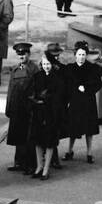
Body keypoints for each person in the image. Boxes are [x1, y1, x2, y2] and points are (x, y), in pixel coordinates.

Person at [64, 42, 102, 163]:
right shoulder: (70, 68)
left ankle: (89, 152)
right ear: (75, 55)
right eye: (79, 54)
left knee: (89, 128)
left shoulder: (92, 68)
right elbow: (67, 84)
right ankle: (69, 150)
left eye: (83, 54)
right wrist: (73, 91)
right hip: (75, 101)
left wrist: (86, 88)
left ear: (86, 55)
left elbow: (98, 84)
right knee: (72, 127)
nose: (81, 57)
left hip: (88, 101)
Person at [29, 46, 67, 180]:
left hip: (51, 114)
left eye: (48, 64)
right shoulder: (37, 77)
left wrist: (47, 99)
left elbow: (59, 97)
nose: (46, 66)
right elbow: (31, 92)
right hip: (38, 113)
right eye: (44, 64)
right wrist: (35, 100)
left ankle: (46, 169)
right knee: (38, 141)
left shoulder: (57, 78)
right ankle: (39, 166)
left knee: (50, 142)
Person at [5, 42, 37, 172]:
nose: (21, 56)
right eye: (19, 54)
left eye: (23, 54)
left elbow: (36, 88)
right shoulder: (15, 69)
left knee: (29, 138)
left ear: (28, 54)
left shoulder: (34, 69)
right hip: (16, 108)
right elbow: (11, 90)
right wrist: (8, 107)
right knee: (18, 136)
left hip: (28, 108)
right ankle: (18, 162)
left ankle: (30, 165)